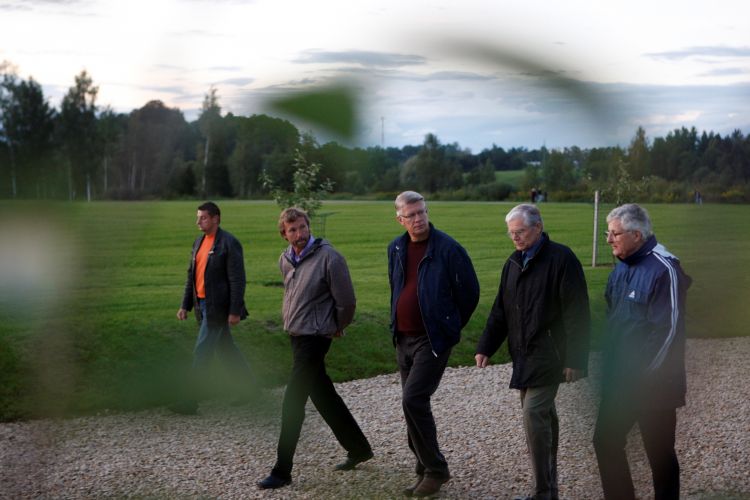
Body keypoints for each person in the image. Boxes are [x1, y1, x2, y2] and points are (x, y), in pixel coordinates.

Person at [475, 203, 590, 500]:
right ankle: (549, 490)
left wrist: (576, 358)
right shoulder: (513, 263)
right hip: (523, 355)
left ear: (538, 227)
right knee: (543, 417)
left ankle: (541, 492)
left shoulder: (562, 259)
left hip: (551, 355)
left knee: (534, 414)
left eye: (520, 231)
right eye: (511, 233)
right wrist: (486, 346)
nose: (515, 237)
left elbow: (577, 313)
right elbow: (500, 310)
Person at [258, 207, 372, 490]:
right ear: (284, 234)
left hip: (316, 336)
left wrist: (337, 326)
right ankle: (359, 448)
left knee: (293, 400)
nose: (299, 233)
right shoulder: (285, 259)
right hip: (296, 335)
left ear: (309, 226)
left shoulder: (330, 258)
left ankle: (282, 470)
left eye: (302, 227)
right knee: (322, 394)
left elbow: (347, 301)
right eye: (292, 230)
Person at [593, 204, 691, 500]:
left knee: (659, 454)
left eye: (614, 234)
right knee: (605, 441)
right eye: (608, 233)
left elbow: (667, 332)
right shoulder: (621, 266)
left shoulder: (665, 268)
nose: (608, 240)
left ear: (636, 234)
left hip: (654, 384)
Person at [388, 191, 480, 498]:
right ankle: (422, 466)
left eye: (422, 212)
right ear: (400, 219)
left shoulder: (449, 249)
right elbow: (396, 286)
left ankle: (436, 470)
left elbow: (470, 293)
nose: (418, 219)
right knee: (412, 405)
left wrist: (448, 326)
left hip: (432, 339)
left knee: (413, 399)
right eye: (411, 215)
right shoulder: (396, 248)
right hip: (403, 338)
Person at [174, 201, 254, 414]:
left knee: (202, 352)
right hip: (201, 305)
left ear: (216, 219)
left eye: (203, 218)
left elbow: (237, 280)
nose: (198, 222)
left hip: (217, 308)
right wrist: (185, 306)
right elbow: (191, 276)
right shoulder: (199, 242)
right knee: (227, 350)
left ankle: (189, 402)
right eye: (198, 217)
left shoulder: (229, 243)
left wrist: (235, 310)